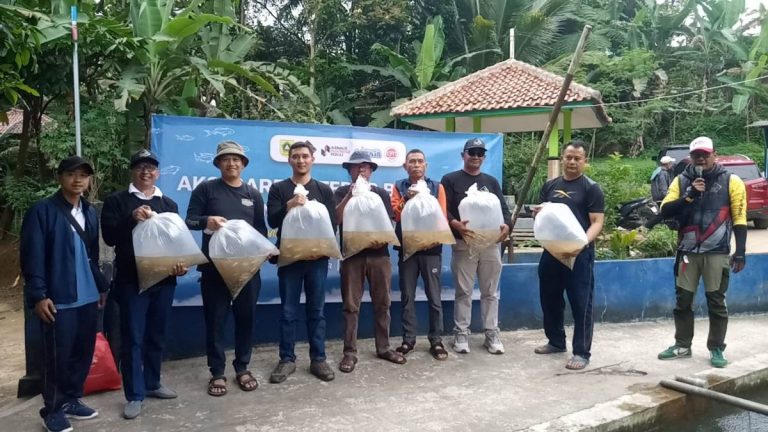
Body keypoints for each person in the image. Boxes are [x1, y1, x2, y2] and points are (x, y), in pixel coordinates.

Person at [20, 156, 109, 432]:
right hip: (59, 298)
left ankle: (71, 399)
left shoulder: (90, 212)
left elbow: (92, 255)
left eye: (84, 175)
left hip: (87, 296)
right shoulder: (43, 211)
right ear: (60, 177)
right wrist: (38, 295)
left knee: (82, 353)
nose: (78, 179)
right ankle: (53, 409)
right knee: (57, 356)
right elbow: (32, 255)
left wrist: (100, 287)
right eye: (71, 174)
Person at [101, 149, 187, 419]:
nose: (146, 171)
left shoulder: (169, 204)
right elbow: (111, 237)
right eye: (140, 167)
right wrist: (131, 218)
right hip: (131, 281)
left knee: (156, 335)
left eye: (151, 168)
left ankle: (153, 383)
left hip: (164, 280)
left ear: (158, 173)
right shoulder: (117, 201)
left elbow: (176, 242)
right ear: (132, 172)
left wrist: (181, 265)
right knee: (133, 338)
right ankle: (134, 394)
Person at [657, 136, 746, 368]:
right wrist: (690, 195)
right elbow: (665, 210)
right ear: (690, 156)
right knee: (683, 301)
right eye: (697, 154)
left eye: (706, 154)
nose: (701, 158)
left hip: (717, 252)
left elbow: (739, 217)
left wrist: (741, 252)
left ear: (715, 154)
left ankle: (716, 347)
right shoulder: (681, 180)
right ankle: (682, 345)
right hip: (687, 251)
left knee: (716, 301)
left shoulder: (731, 180)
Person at [185, 141, 267, 396]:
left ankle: (242, 367)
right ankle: (217, 372)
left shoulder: (252, 194)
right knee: (216, 321)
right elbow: (189, 220)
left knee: (246, 319)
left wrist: (263, 254)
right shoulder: (206, 189)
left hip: (247, 269)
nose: (232, 163)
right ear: (218, 163)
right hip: (214, 269)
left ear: (243, 164)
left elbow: (261, 231)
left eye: (236, 160)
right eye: (226, 159)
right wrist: (207, 221)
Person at [266, 141, 337, 383]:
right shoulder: (279, 189)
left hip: (317, 261)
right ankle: (287, 359)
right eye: (295, 156)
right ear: (289, 160)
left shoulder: (324, 190)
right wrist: (288, 205)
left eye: (305, 156)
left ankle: (318, 359)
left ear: (312, 159)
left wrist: (322, 251)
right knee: (287, 312)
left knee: (316, 310)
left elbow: (332, 226)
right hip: (289, 261)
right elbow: (273, 222)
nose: (300, 160)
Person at [534, 140, 605, 370]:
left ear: (585, 161)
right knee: (550, 299)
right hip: (552, 252)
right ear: (562, 159)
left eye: (577, 158)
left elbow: (597, 221)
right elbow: (544, 218)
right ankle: (555, 341)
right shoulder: (550, 185)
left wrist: (582, 243)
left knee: (581, 303)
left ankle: (582, 352)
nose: (572, 162)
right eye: (569, 157)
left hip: (579, 254)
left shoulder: (591, 188)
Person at [334, 150, 406, 372]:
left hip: (379, 256)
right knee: (350, 306)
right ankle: (349, 352)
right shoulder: (341, 192)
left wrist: (380, 239)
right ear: (349, 170)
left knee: (383, 303)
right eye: (356, 167)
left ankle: (383, 348)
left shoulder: (380, 194)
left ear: (372, 171)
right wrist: (351, 195)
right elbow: (336, 218)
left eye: (365, 167)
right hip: (351, 257)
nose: (361, 170)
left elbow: (389, 223)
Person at [440, 138, 511, 355]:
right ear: (463, 155)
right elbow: (444, 210)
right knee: (464, 291)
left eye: (480, 153)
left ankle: (491, 332)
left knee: (490, 292)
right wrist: (455, 225)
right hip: (464, 243)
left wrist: (506, 226)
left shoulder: (491, 181)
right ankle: (461, 333)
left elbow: (504, 210)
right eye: (472, 152)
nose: (476, 157)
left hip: (490, 246)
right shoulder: (450, 180)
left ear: (484, 157)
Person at [390, 149, 449, 360]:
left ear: (426, 166)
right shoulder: (399, 187)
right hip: (407, 250)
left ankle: (436, 340)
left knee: (434, 297)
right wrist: (407, 197)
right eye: (412, 161)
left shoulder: (437, 187)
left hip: (431, 249)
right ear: (405, 166)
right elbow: (396, 213)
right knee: (408, 296)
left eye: (420, 161)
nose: (416, 165)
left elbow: (441, 215)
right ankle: (409, 340)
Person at [645, 155, 676, 229]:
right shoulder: (663, 173)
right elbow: (663, 188)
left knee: (661, 215)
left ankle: (650, 226)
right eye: (671, 163)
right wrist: (668, 197)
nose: (672, 165)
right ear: (667, 164)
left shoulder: (657, 171)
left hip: (656, 197)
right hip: (661, 198)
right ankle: (648, 226)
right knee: (662, 215)